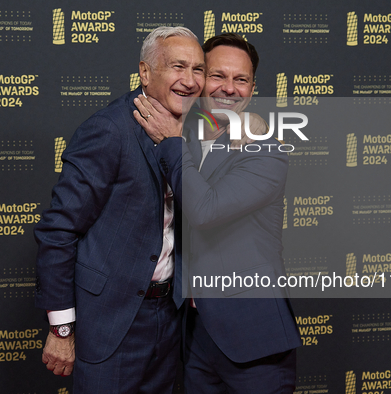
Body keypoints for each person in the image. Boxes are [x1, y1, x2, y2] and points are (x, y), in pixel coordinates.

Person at [34, 26, 205, 394]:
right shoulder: (109, 130)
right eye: (178, 67)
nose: (190, 81)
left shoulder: (196, 133)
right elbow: (58, 230)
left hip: (169, 318)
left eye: (198, 69)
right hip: (111, 319)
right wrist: (61, 329)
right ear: (145, 73)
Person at [133, 33, 302, 393]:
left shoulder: (265, 150)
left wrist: (174, 140)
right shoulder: (188, 134)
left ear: (253, 88)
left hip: (255, 341)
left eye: (240, 79)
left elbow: (204, 209)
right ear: (198, 79)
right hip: (195, 336)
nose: (229, 88)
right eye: (217, 76)